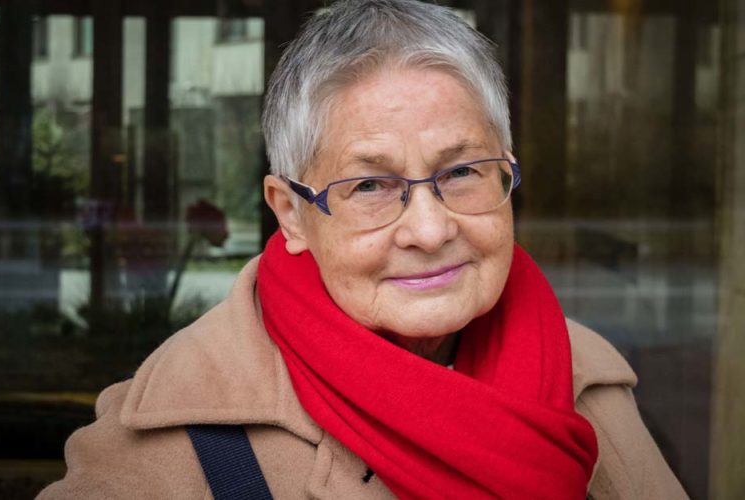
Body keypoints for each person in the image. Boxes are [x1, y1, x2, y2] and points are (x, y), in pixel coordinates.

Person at [38, 0, 687, 498]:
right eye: (371, 185)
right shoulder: (169, 441)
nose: (429, 230)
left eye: (463, 171)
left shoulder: (589, 379)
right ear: (290, 213)